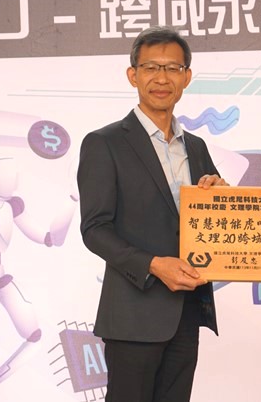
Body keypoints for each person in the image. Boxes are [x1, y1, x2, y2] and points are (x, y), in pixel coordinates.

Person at [77, 26, 227, 402]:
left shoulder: (196, 146)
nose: (162, 78)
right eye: (151, 67)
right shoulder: (104, 143)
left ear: (186, 77)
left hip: (187, 311)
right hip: (133, 315)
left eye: (173, 68)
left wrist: (223, 199)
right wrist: (153, 265)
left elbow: (209, 223)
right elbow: (95, 229)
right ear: (133, 75)